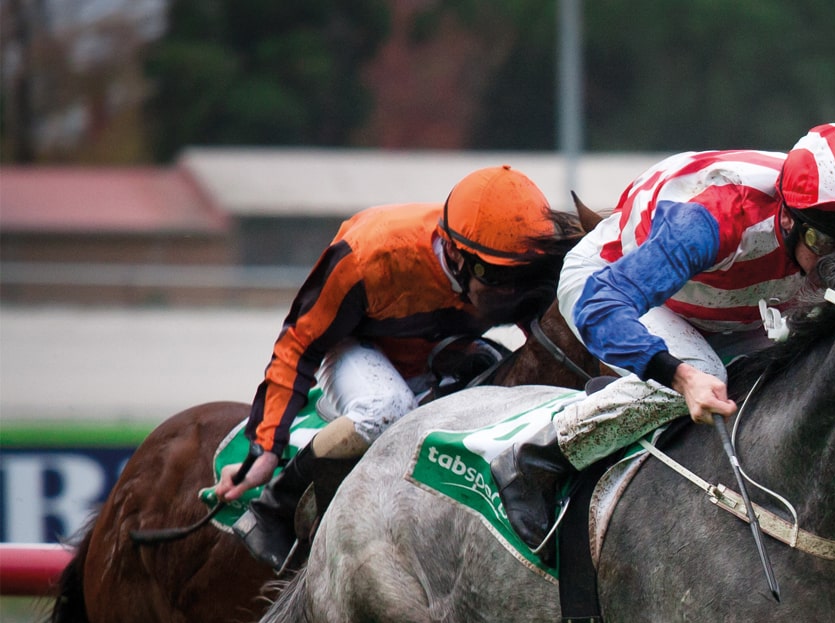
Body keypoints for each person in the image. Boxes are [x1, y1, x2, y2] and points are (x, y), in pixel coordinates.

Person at [493, 122, 835, 550]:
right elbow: (603, 304)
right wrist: (681, 376)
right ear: (787, 216)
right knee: (703, 373)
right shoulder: (716, 216)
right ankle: (536, 458)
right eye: (821, 242)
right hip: (614, 284)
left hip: (737, 306)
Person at [219, 165, 582, 572]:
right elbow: (297, 345)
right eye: (494, 275)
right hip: (361, 347)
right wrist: (265, 447)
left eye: (520, 276)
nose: (511, 291)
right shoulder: (368, 255)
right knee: (388, 408)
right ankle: (275, 509)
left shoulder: (519, 266)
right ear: (456, 253)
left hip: (446, 346)